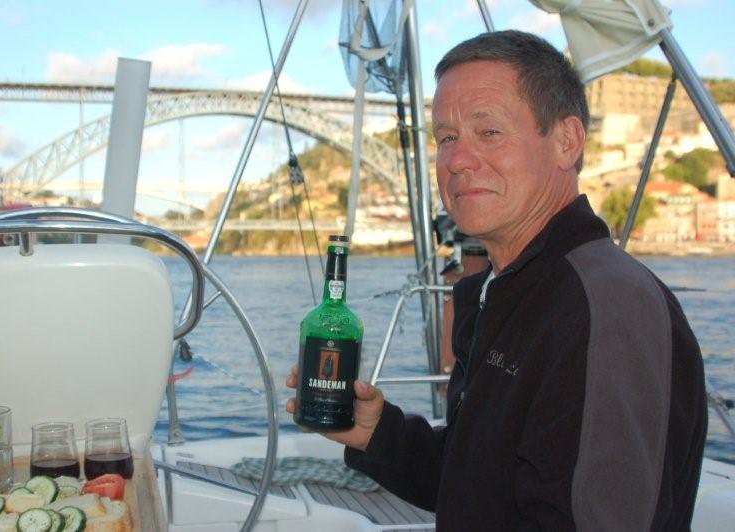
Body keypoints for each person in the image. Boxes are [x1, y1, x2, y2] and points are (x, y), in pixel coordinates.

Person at [286, 30, 707, 530]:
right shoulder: (504, 290)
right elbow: (481, 481)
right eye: (446, 138)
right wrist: (378, 434)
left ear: (566, 142)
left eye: (488, 132)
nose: (457, 160)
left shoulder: (607, 312)